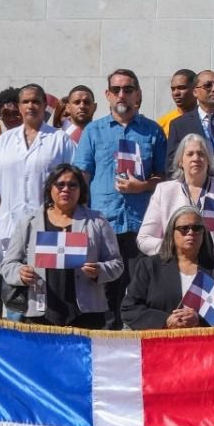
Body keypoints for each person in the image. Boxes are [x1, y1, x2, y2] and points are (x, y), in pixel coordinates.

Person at [73, 68, 166, 327]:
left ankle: (136, 341)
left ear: (138, 94)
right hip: (104, 224)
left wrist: (142, 186)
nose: (121, 94)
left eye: (128, 89)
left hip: (141, 225)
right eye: (116, 90)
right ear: (107, 95)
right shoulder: (93, 131)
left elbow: (164, 177)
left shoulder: (153, 131)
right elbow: (82, 175)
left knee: (141, 291)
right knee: (106, 294)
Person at [0, 83, 76, 311]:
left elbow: (75, 183)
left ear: (44, 106)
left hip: (50, 227)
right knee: (15, 293)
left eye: (36, 101)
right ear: (19, 107)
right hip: (10, 227)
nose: (30, 106)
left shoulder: (60, 140)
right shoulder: (3, 142)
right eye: (26, 102)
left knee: (48, 289)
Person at [0, 163, 122, 327]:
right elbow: (7, 265)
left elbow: (117, 264)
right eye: (60, 184)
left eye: (72, 185)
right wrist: (20, 273)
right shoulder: (29, 222)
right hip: (40, 313)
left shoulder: (97, 221)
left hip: (87, 313)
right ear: (50, 188)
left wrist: (100, 270)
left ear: (81, 189)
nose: (66, 189)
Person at [138, 133, 214, 266]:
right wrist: (173, 247)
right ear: (180, 161)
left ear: (208, 160)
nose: (196, 158)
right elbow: (144, 239)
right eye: (190, 154)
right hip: (177, 268)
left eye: (201, 154)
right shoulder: (164, 191)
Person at [121, 207, 214, 329]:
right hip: (162, 339)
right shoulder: (149, 266)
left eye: (197, 228)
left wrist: (200, 320)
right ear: (172, 233)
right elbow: (130, 309)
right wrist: (166, 320)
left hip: (205, 340)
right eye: (184, 228)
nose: (191, 232)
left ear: (203, 233)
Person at [156, 68, 197, 133]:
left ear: (195, 90)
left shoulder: (208, 120)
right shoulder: (162, 124)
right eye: (173, 89)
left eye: (182, 88)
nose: (176, 93)